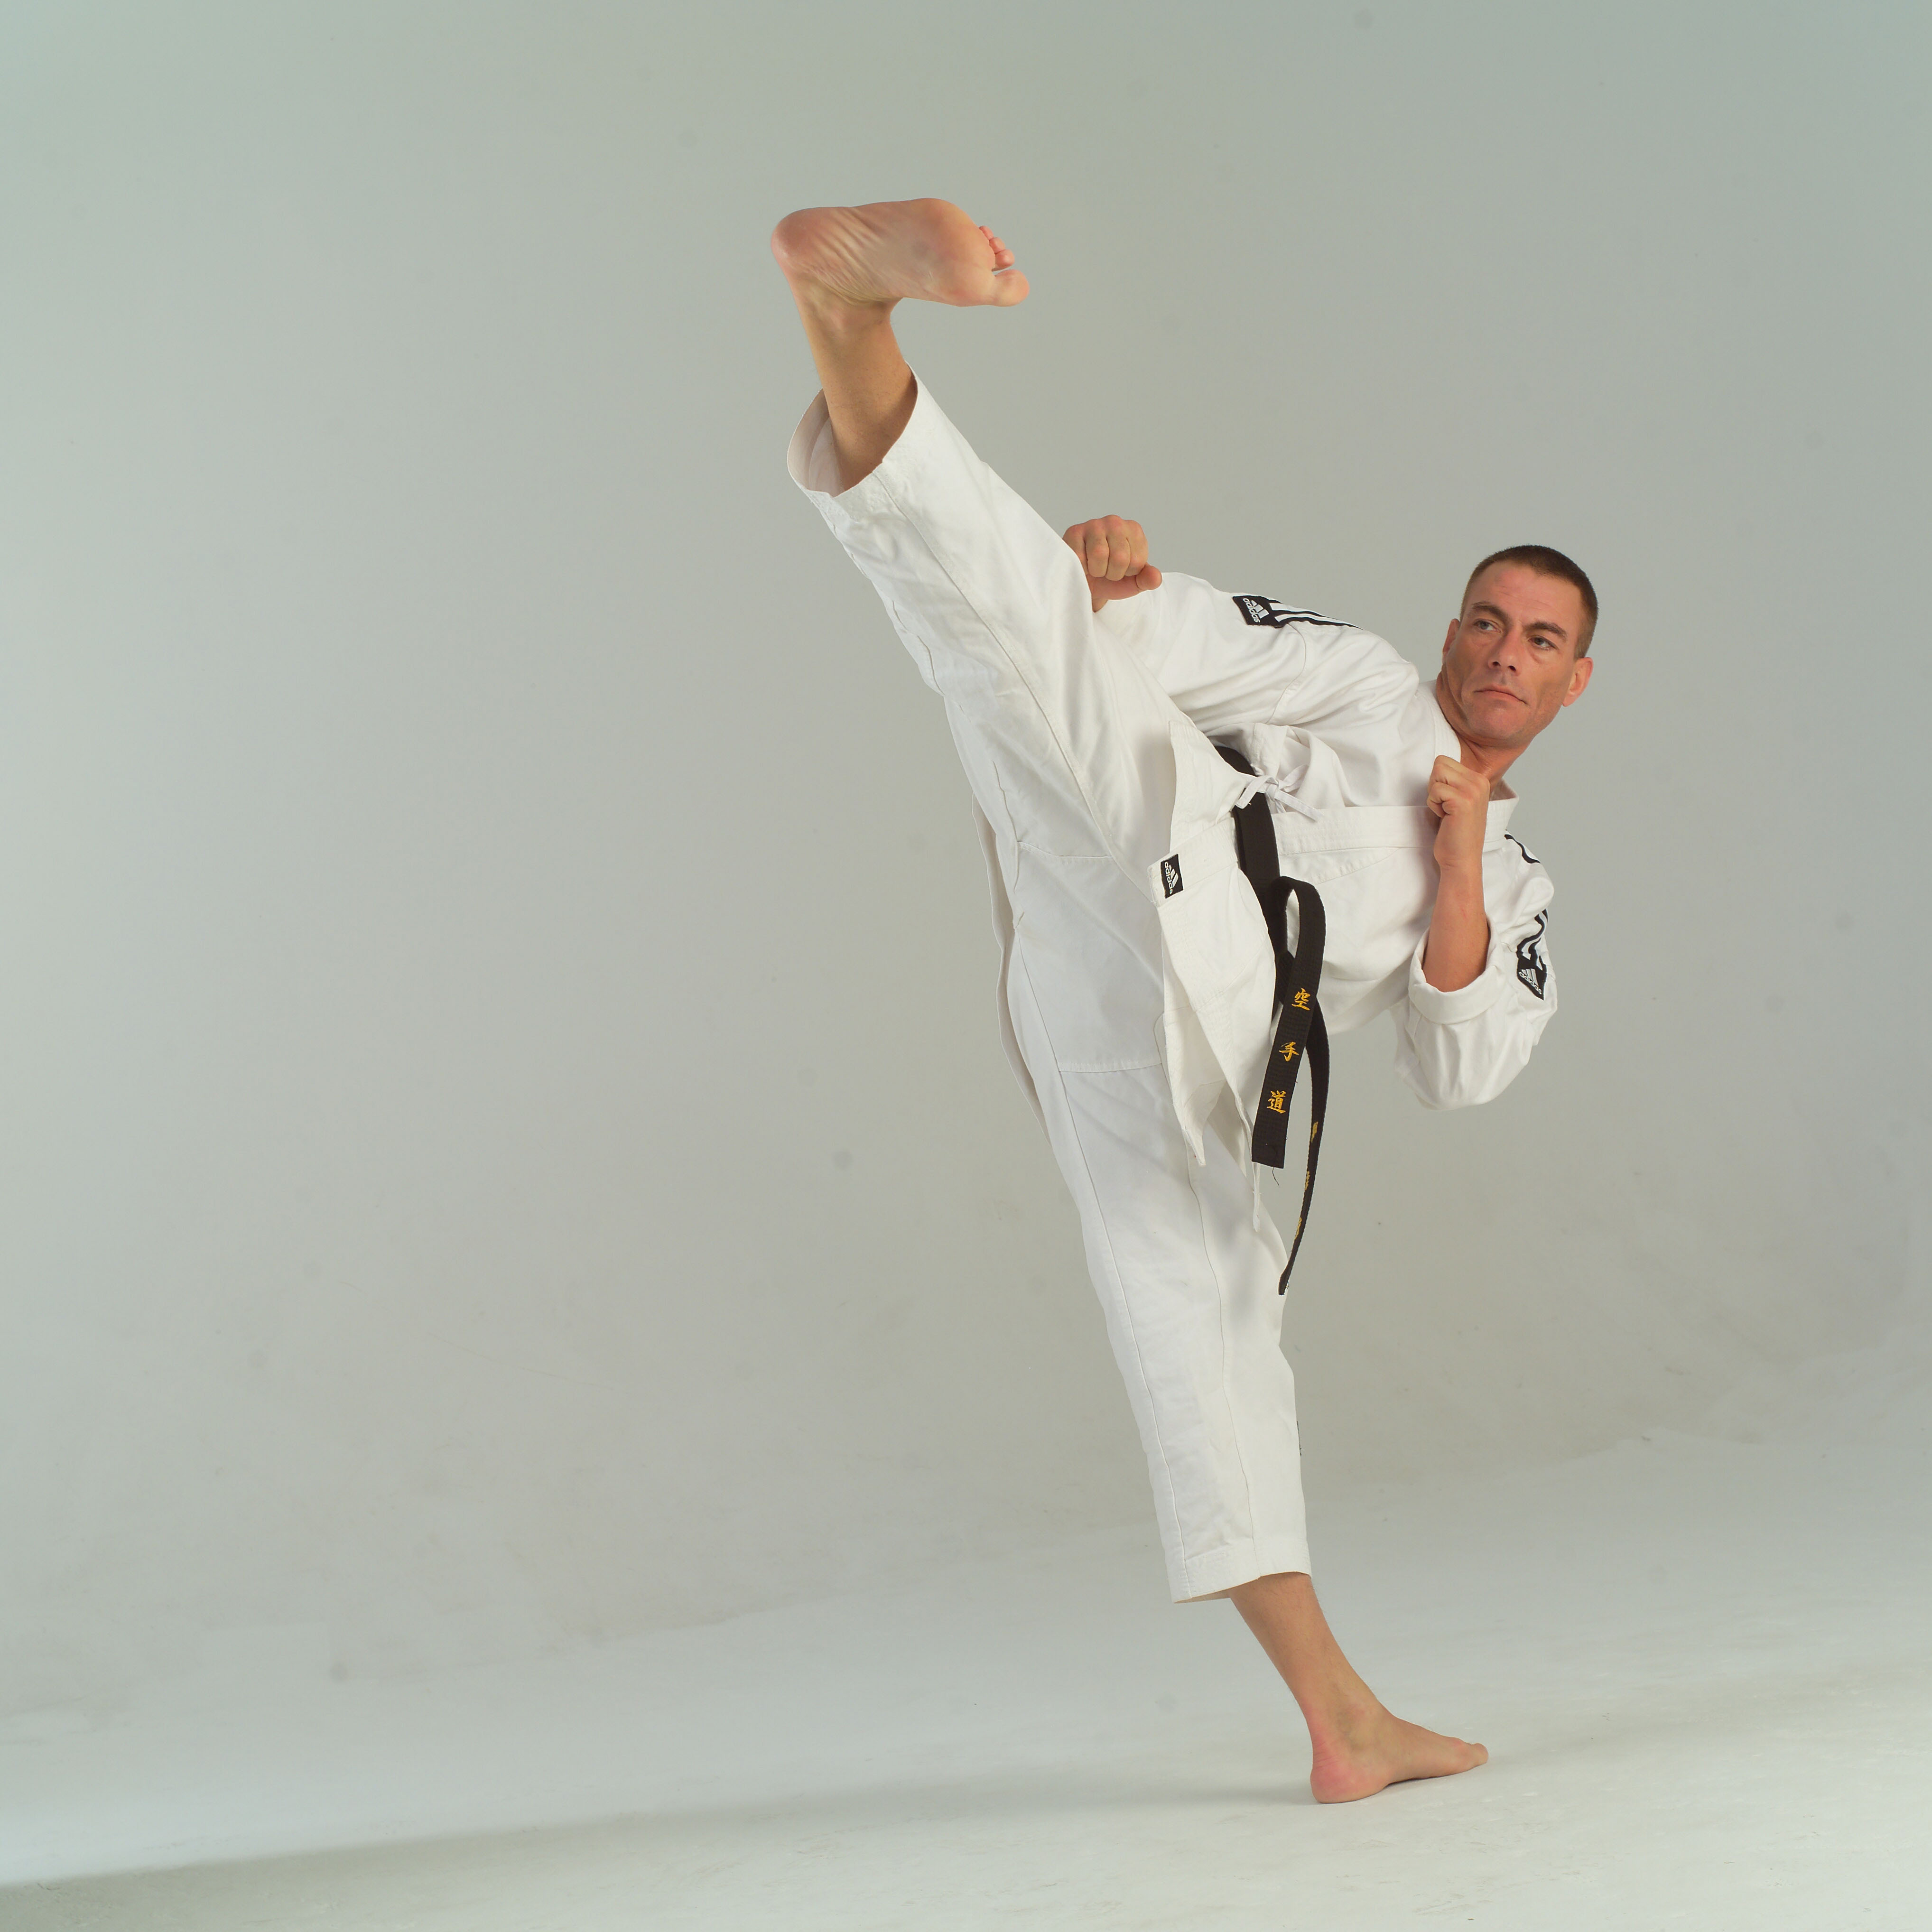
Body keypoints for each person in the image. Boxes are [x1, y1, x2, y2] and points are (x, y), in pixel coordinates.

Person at [771, 197, 1595, 1802]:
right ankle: (848, 310)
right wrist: (1111, 579)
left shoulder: (1520, 889)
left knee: (1212, 1342)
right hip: (1161, 850)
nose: (1505, 652)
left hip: (1181, 1046)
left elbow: (1461, 1067)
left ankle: (1342, 1723)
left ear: (1575, 680)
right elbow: (1169, 639)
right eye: (1490, 622)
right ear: (1454, 632)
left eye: (1542, 639)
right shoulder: (1368, 680)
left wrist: (1462, 859)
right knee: (1029, 639)